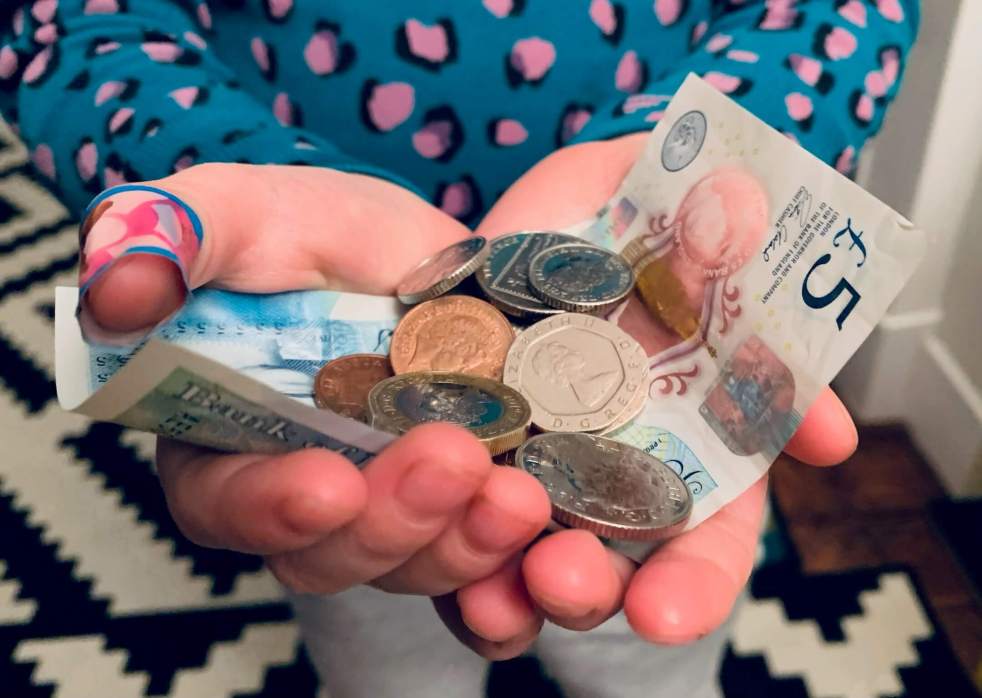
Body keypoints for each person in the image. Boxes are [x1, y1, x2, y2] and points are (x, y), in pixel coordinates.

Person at [0, 1, 919, 696]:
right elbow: (76, 22)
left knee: (643, 647)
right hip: (351, 394)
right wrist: (233, 165)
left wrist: (680, 156)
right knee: (377, 630)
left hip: (636, 310)